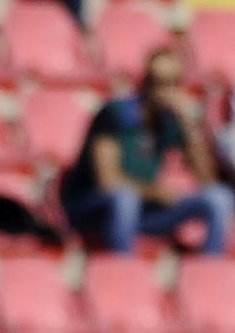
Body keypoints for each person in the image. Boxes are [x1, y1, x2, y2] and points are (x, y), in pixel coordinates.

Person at [60, 47, 234, 257]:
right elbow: (108, 182)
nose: (164, 91)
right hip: (93, 209)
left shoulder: (170, 121)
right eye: (158, 82)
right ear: (145, 82)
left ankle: (209, 269)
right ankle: (122, 267)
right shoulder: (115, 113)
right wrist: (154, 193)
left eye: (172, 83)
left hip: (142, 212)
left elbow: (207, 180)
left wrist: (188, 125)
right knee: (124, 199)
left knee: (218, 198)